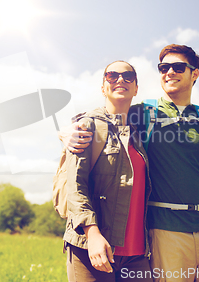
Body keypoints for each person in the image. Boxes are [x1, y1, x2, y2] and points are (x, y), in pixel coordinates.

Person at [62, 45, 199, 282]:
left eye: (178, 67)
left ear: (195, 74)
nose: (169, 72)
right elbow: (103, 117)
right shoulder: (143, 114)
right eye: (164, 68)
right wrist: (68, 131)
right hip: (165, 231)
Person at [63, 61, 153, 282]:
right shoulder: (87, 126)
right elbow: (75, 187)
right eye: (112, 75)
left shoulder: (141, 131)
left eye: (128, 76)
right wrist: (92, 234)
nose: (120, 79)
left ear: (136, 88)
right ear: (103, 87)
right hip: (91, 248)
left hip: (137, 254)